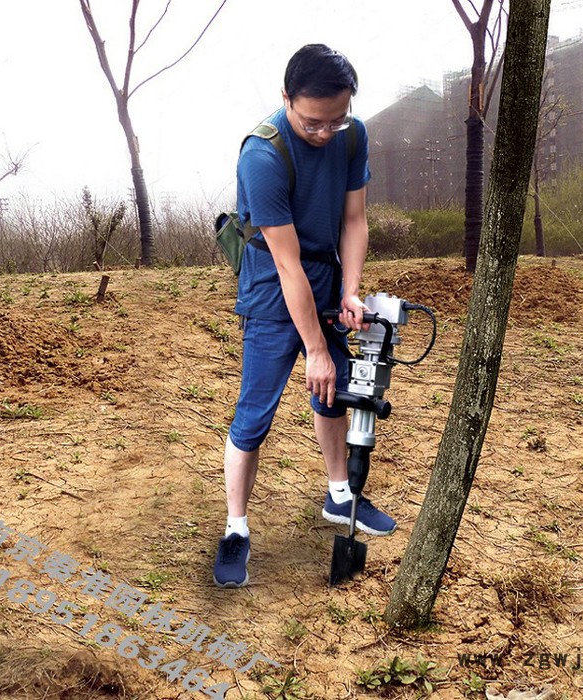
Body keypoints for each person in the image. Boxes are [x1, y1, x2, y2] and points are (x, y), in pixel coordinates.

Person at [213, 44, 396, 589]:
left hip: (325, 274)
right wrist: (314, 347)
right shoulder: (262, 155)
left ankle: (340, 497)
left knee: (334, 391)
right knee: (255, 414)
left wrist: (351, 290)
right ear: (286, 98)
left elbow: (355, 219)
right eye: (314, 122)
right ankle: (236, 529)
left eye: (336, 120)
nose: (325, 132)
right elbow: (287, 264)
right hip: (273, 286)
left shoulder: (352, 134)